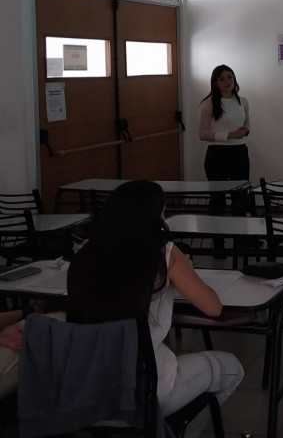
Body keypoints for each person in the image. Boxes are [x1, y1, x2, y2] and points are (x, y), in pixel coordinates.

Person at [67, 180, 243, 438]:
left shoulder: (84, 254)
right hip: (141, 390)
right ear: (156, 215)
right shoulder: (164, 253)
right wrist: (186, 269)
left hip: (81, 391)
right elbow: (213, 307)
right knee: (232, 368)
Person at [198, 65, 250, 214]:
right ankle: (218, 236)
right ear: (215, 83)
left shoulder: (243, 101)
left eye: (230, 77)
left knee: (240, 196)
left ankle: (241, 236)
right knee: (217, 197)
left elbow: (247, 124)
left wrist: (245, 130)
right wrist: (229, 135)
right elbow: (202, 134)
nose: (227, 81)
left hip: (239, 151)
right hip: (217, 153)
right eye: (222, 79)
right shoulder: (208, 104)